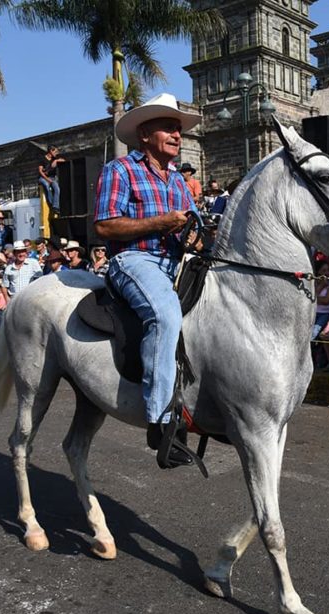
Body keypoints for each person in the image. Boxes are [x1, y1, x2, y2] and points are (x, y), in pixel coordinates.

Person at [93, 92, 201, 467]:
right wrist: (161, 223)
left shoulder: (179, 182)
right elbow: (106, 225)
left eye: (178, 128)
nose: (177, 133)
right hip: (134, 259)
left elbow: (189, 231)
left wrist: (197, 237)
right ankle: (163, 423)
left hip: (176, 261)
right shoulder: (120, 170)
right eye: (168, 127)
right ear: (143, 134)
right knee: (166, 315)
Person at [312, 259, 329, 339]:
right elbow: (309, 298)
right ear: (318, 272)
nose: (327, 273)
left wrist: (315, 297)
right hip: (313, 311)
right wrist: (321, 286)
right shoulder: (313, 282)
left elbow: (326, 301)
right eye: (324, 270)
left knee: (314, 332)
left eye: (328, 270)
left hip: (327, 313)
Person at [38, 146, 66, 217]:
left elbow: (63, 160)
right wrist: (47, 179)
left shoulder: (54, 158)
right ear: (51, 151)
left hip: (52, 178)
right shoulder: (42, 159)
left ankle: (55, 206)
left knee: (57, 189)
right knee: (46, 185)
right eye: (55, 151)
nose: (56, 153)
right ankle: (50, 203)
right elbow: (40, 171)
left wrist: (56, 161)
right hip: (43, 177)